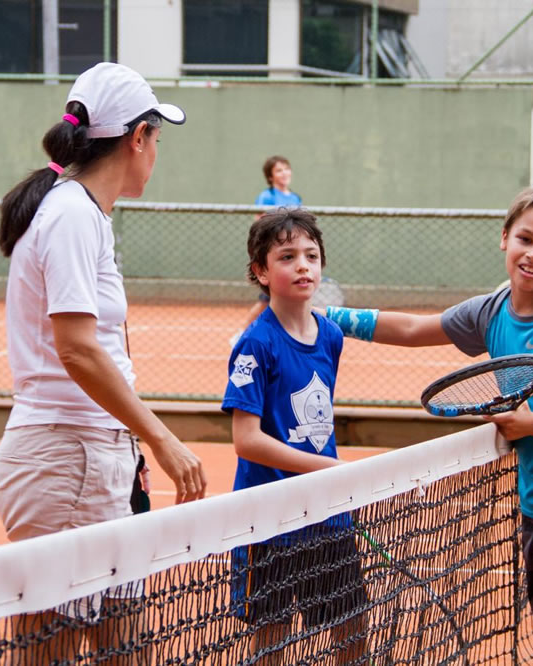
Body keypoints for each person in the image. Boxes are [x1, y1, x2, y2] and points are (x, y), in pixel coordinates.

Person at [324, 187, 533, 666]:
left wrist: (531, 424)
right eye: (526, 239)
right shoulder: (491, 310)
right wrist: (328, 316)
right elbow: (413, 329)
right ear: (504, 238)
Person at [0, 62, 207, 662]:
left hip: (95, 457)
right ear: (137, 137)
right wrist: (160, 439)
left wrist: (130, 449)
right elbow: (77, 348)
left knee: (125, 640)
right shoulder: (70, 214)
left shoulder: (85, 213)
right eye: (156, 137)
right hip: (65, 460)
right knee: (54, 649)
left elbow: (96, 348)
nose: (156, 151)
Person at [222, 208, 366, 665]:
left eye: (311, 255)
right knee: (273, 641)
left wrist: (328, 478)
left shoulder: (331, 336)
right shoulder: (255, 344)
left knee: (352, 631)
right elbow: (247, 441)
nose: (303, 265)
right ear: (261, 272)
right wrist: (330, 469)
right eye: (287, 257)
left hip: (327, 515)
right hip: (269, 521)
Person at [239, 156, 304, 335]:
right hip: (275, 254)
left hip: (293, 254)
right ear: (270, 176)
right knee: (266, 300)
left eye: (286, 169)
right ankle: (242, 333)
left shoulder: (295, 198)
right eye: (278, 170)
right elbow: (259, 224)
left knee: (287, 299)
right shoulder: (267, 197)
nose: (284, 173)